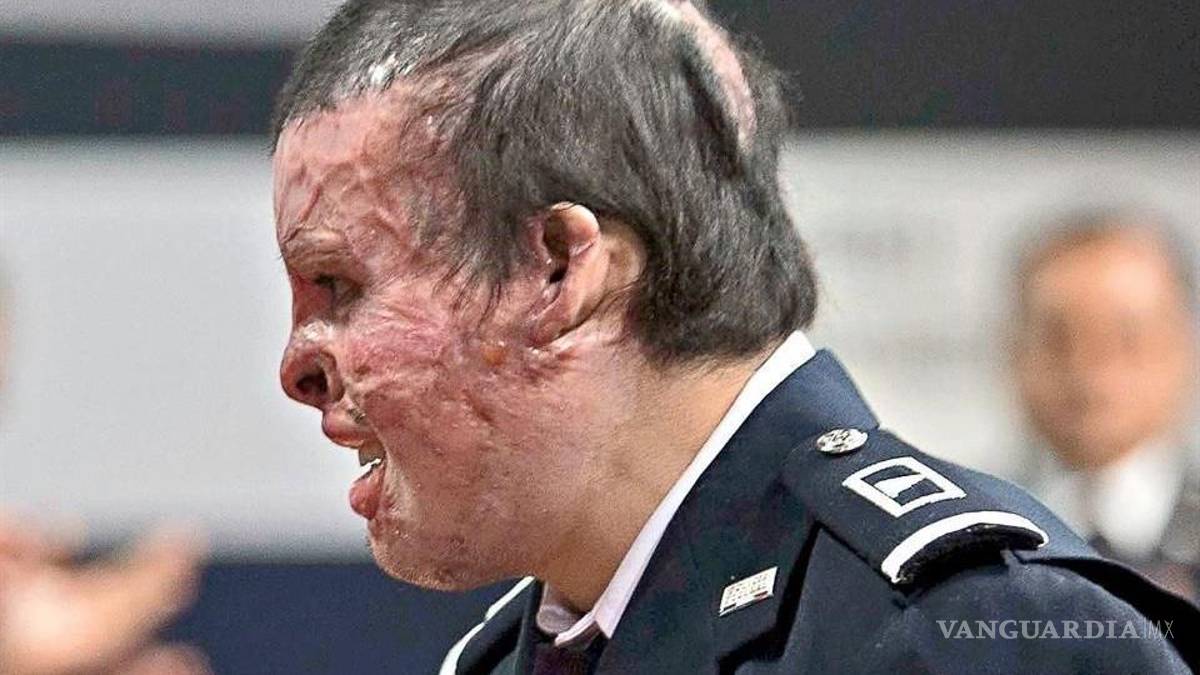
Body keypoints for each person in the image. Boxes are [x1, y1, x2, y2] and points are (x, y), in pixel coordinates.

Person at [270, 1, 1199, 672]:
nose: (296, 366)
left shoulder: (970, 636)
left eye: (339, 285)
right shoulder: (512, 656)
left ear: (558, 268)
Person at [1012, 212, 1200, 602]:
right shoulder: (973, 533)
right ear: (1014, 350)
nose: (1090, 369)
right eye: (1058, 339)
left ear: (1184, 348)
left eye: (1126, 338)